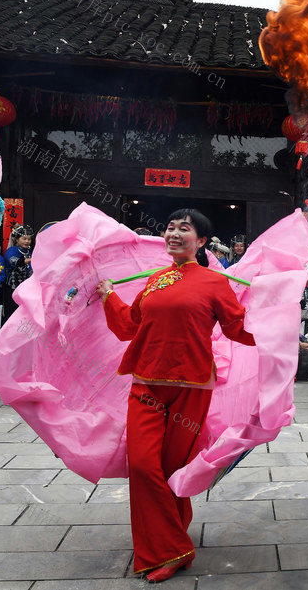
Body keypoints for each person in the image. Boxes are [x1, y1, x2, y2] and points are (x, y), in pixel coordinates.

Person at [95, 208, 256, 582]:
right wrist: (109, 296)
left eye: (184, 229)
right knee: (142, 465)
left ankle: (171, 545)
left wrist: (274, 316)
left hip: (192, 387)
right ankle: (172, 547)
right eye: (170, 227)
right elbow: (129, 326)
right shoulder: (154, 281)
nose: (173, 233)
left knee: (171, 470)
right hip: (147, 384)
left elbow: (238, 328)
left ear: (200, 241)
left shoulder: (215, 282)